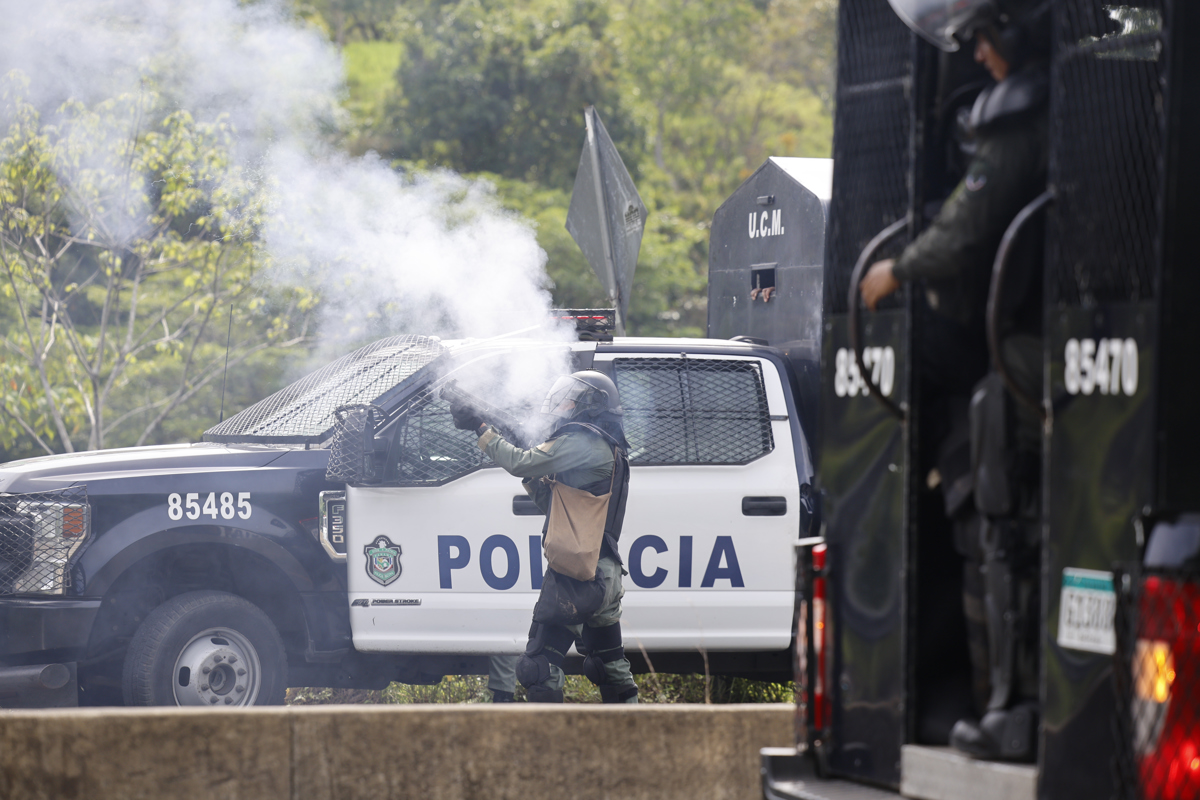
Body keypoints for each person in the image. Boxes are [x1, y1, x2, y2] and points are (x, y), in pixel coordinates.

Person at [869, 0, 1050, 761]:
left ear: (1012, 29)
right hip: (1050, 334)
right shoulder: (1069, 103)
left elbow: (967, 231)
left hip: (1035, 346)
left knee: (995, 506)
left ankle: (1015, 706)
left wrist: (895, 270)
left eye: (980, 39)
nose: (977, 57)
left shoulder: (1024, 112)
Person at [452, 371, 639, 704]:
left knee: (538, 667)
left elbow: (519, 463)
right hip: (606, 574)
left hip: (578, 576)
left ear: (591, 405)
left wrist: (483, 431)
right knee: (609, 666)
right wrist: (533, 471)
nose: (563, 403)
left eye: (571, 398)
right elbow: (558, 507)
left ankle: (550, 750)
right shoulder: (607, 446)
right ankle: (639, 741)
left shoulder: (582, 441)